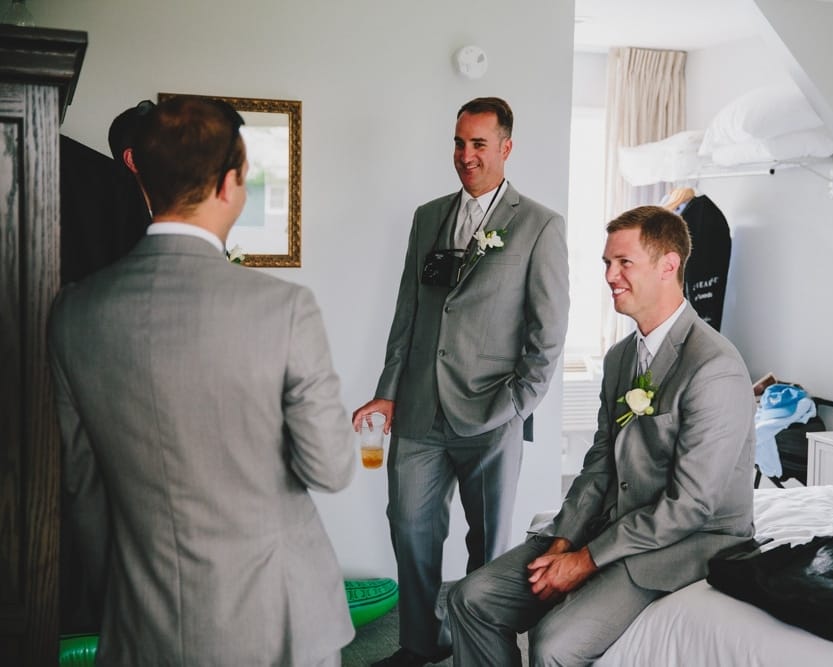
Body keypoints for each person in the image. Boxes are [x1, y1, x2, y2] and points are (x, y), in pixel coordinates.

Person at [49, 96, 357, 666]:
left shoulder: (73, 314)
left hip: (144, 619)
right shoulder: (283, 309)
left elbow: (84, 491)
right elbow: (332, 468)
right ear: (229, 185)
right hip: (277, 618)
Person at [447, 205, 757, 666]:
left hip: (685, 543)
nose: (610, 275)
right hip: (611, 525)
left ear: (668, 265)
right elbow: (599, 466)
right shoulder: (619, 359)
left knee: (553, 642)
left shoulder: (715, 368)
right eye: (607, 264)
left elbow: (691, 506)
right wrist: (563, 541)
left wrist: (585, 560)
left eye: (623, 262)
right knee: (470, 598)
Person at [353, 96, 570, 667]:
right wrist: (388, 390)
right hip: (420, 411)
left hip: (493, 416)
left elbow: (547, 334)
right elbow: (409, 315)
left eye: (478, 144)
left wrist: (516, 405)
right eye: (458, 142)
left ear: (505, 148)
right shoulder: (428, 217)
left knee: (487, 548)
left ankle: (477, 647)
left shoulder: (539, 224)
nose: (466, 156)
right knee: (409, 530)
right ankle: (421, 644)